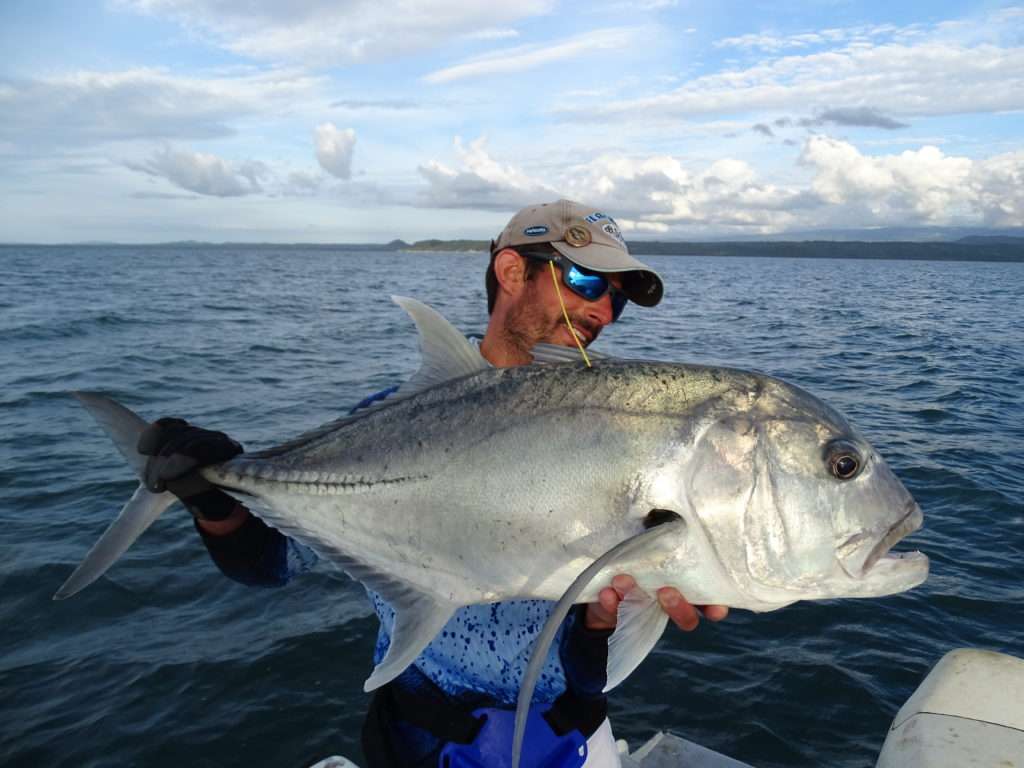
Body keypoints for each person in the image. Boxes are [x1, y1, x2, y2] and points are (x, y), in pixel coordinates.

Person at [140, 200, 728, 768]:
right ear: (511, 270)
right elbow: (272, 566)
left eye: (616, 302)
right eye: (586, 280)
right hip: (424, 737)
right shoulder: (387, 423)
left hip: (572, 734)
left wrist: (654, 586)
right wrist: (212, 503)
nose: (601, 313)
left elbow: (590, 646)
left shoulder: (626, 434)